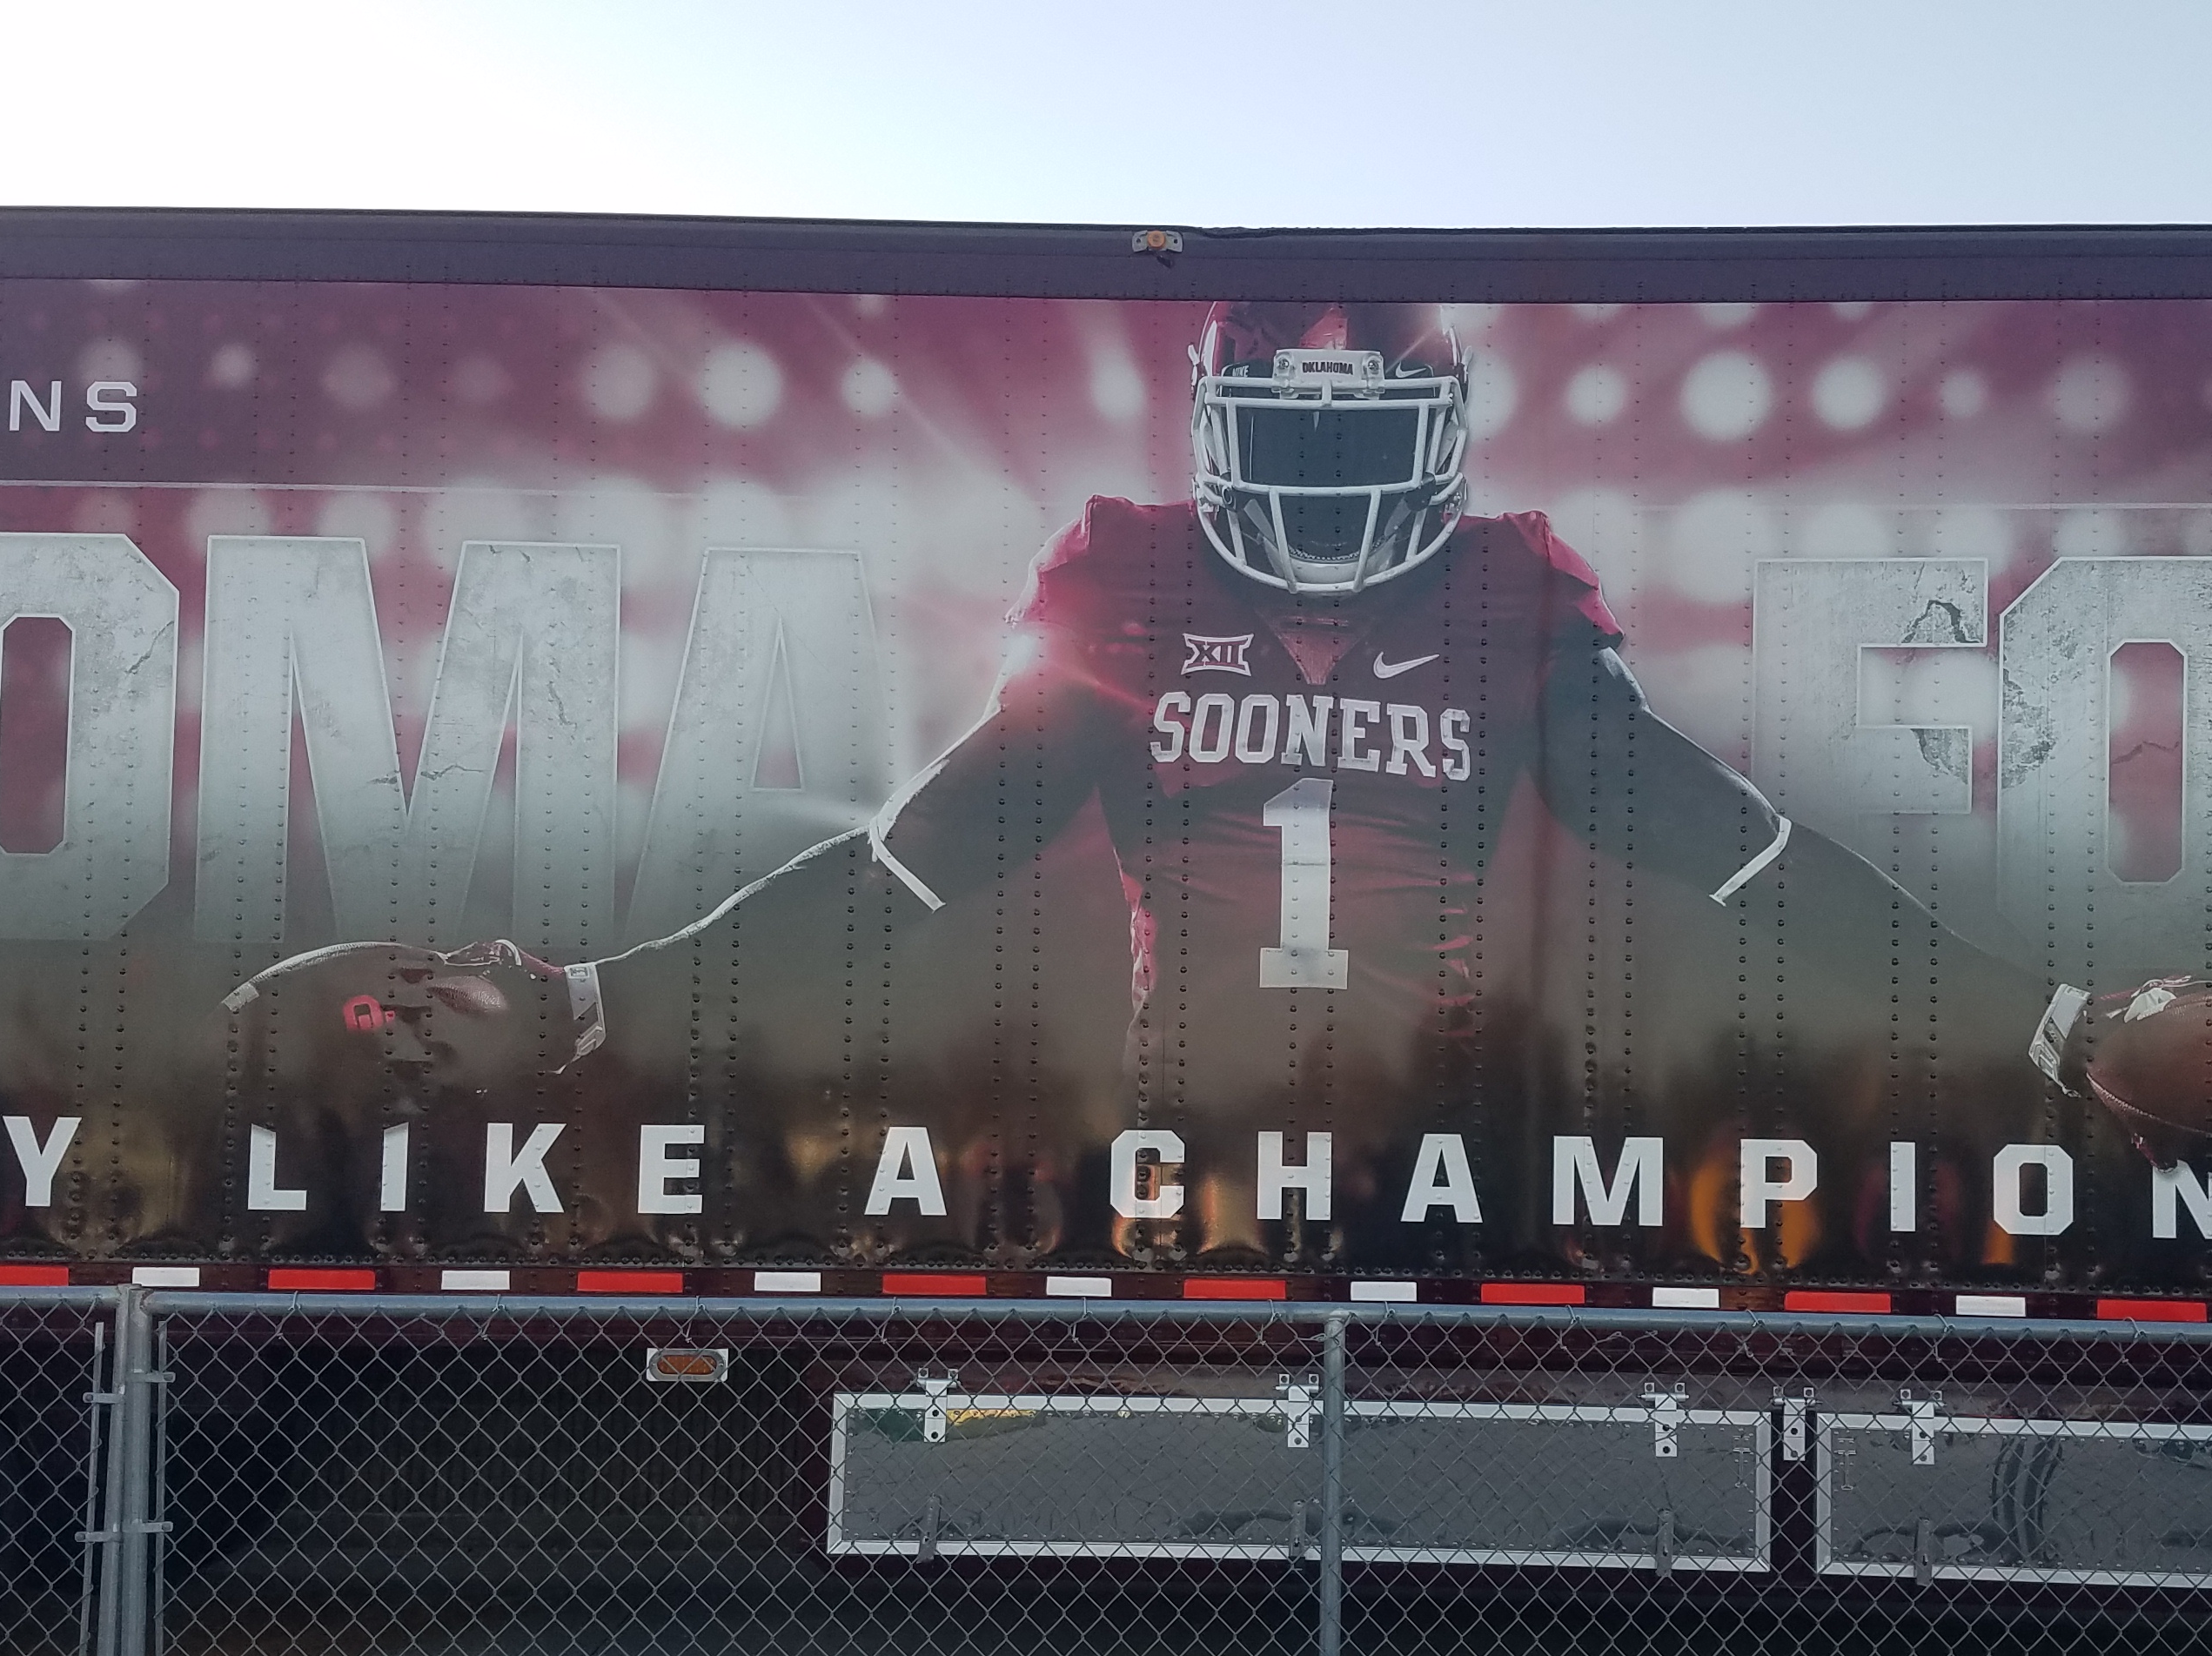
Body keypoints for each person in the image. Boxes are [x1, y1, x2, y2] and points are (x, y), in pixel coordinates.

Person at [239, 300, 2081, 1264]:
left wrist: (2054, 1019)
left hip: (1445, 1155)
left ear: (1444, 442)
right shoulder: (1126, 591)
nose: (1323, 488)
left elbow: (1749, 858)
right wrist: (595, 1003)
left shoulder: (1510, 604)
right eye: (1285, 439)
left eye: (1358, 443)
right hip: (1178, 1156)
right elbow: (909, 869)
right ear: (1212, 436)